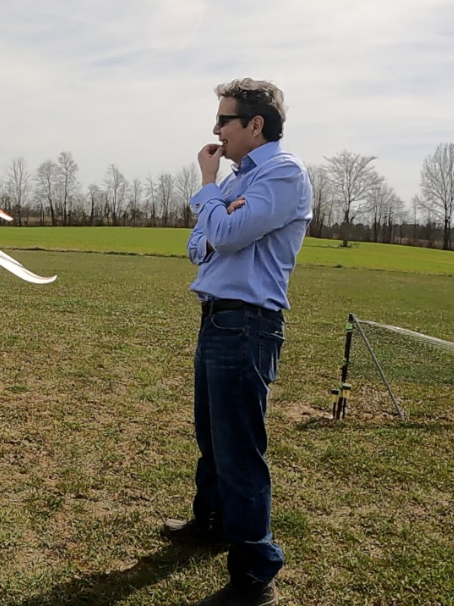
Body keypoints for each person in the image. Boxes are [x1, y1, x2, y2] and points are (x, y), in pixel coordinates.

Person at [161, 79, 313, 606]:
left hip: (247, 323)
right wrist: (220, 211)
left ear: (255, 125)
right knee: (211, 435)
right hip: (218, 319)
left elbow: (220, 237)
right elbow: (197, 246)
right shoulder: (241, 180)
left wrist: (208, 189)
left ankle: (255, 575)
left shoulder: (283, 173)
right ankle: (214, 522)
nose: (215, 130)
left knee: (239, 448)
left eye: (224, 119)